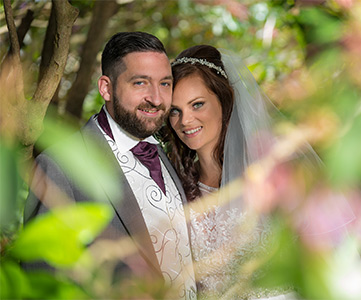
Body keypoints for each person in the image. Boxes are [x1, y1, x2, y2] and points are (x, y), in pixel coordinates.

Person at [24, 32, 196, 299]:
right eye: (140, 83)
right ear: (106, 87)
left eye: (165, 84)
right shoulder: (60, 167)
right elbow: (43, 282)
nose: (157, 98)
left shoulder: (163, 154)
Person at [164, 45, 301, 299]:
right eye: (175, 110)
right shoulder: (175, 187)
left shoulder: (269, 174)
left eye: (197, 104)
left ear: (225, 101)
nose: (185, 120)